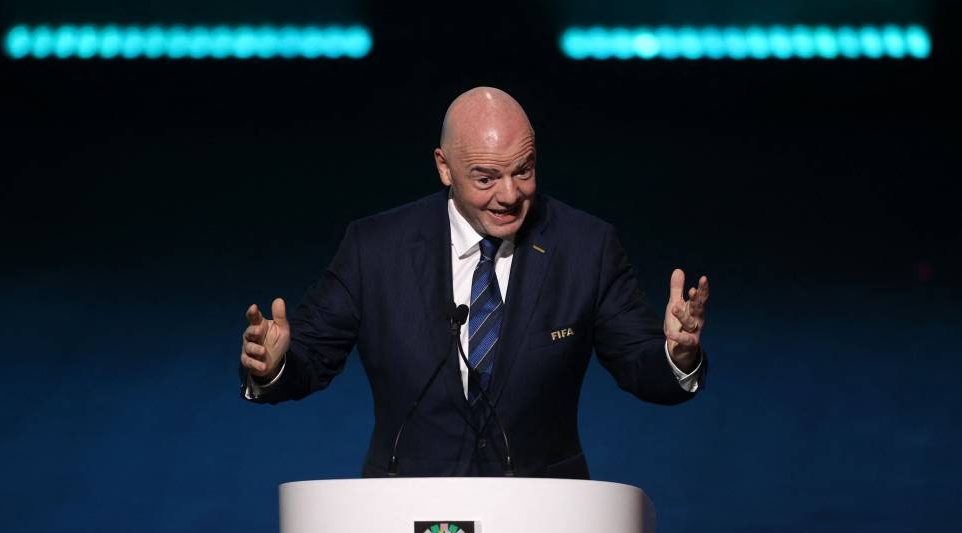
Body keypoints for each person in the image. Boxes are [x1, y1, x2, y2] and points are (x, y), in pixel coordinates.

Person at [240, 87, 709, 478]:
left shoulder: (585, 247)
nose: (509, 195)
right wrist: (273, 365)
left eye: (522, 171)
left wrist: (677, 356)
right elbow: (309, 359)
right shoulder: (375, 249)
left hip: (547, 519)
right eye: (486, 178)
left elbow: (641, 366)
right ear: (445, 168)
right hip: (407, 519)